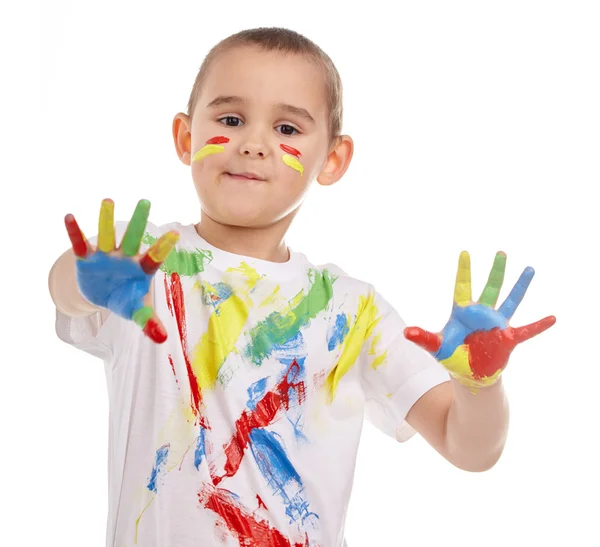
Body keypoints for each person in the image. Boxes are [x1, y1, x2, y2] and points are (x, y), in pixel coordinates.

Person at [48, 26, 555, 547]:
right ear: (185, 137)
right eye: (230, 119)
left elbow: (469, 447)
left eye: (287, 128)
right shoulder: (145, 266)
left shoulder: (351, 310)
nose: (254, 144)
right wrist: (86, 282)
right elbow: (65, 292)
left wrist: (478, 385)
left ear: (332, 159)